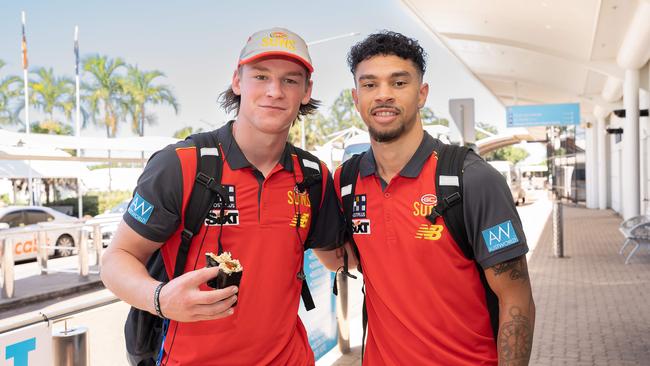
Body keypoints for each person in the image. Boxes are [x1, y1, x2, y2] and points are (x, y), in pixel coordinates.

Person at [101, 27, 344, 365]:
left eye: (290, 80)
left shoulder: (313, 175)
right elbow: (116, 259)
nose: (275, 91)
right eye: (261, 76)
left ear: (306, 91)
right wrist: (159, 299)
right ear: (237, 81)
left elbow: (339, 258)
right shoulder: (182, 165)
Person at [315, 31, 535, 365]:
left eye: (399, 83)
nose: (383, 95)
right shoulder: (346, 180)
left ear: (422, 94)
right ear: (356, 97)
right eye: (370, 84)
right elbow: (339, 260)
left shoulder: (472, 179)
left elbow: (515, 297)